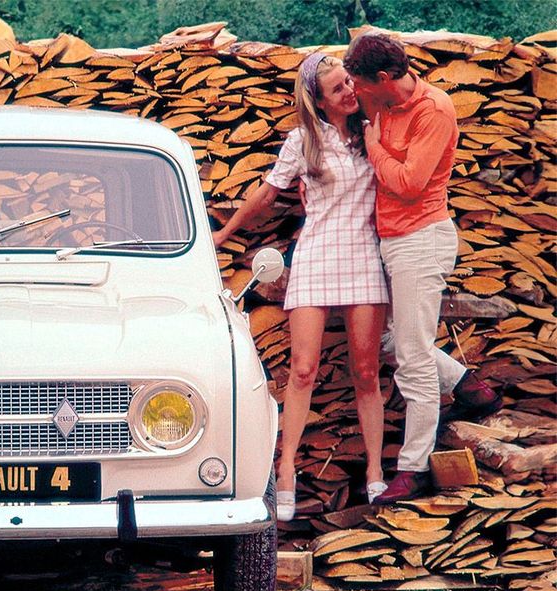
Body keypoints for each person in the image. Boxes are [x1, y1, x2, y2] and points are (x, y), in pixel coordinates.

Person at [213, 52, 389, 521]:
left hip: (364, 259)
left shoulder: (373, 130)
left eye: (349, 82)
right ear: (318, 100)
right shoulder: (302, 140)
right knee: (303, 369)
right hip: (315, 258)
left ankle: (376, 471)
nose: (349, 92)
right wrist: (224, 234)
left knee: (366, 371)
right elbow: (268, 193)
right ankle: (286, 468)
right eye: (338, 88)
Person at [344, 31, 500, 504]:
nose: (355, 92)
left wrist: (373, 146)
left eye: (360, 84)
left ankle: (413, 469)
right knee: (391, 340)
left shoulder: (433, 110)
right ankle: (469, 387)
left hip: (420, 239)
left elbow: (410, 183)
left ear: (384, 77)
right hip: (391, 239)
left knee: (412, 357)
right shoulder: (382, 101)